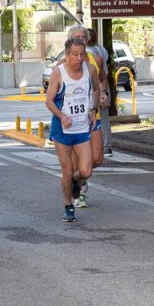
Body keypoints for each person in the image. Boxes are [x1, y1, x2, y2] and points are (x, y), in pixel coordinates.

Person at [46, 37, 100, 222]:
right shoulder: (58, 73)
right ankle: (68, 206)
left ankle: (76, 181)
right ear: (67, 55)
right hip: (62, 130)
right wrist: (62, 116)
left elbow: (96, 89)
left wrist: (93, 110)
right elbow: (49, 101)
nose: (79, 58)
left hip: (82, 128)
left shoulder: (90, 70)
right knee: (67, 170)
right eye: (75, 54)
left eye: (82, 54)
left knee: (86, 171)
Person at [67, 25, 107, 209]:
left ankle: (76, 178)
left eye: (84, 37)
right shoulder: (62, 65)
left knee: (97, 159)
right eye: (77, 37)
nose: (82, 39)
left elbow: (102, 81)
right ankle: (80, 191)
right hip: (73, 121)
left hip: (92, 116)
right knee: (80, 161)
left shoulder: (95, 60)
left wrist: (104, 93)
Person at [87, 28, 113, 157]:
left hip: (95, 87)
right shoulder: (102, 49)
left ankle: (94, 146)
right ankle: (107, 146)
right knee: (104, 118)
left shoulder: (87, 53)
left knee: (91, 116)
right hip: (104, 85)